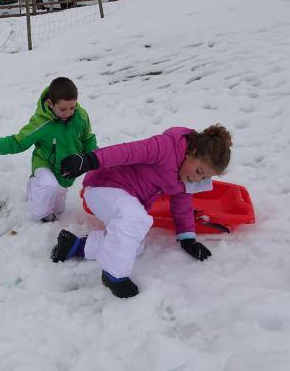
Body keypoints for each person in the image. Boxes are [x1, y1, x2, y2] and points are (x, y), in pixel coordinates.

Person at [51, 125, 232, 299]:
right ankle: (114, 276)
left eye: (205, 177)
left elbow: (183, 204)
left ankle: (76, 246)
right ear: (191, 152)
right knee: (135, 219)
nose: (197, 178)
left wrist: (187, 238)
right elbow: (126, 152)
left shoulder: (186, 176)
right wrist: (89, 160)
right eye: (199, 171)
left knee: (134, 245)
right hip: (104, 186)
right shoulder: (165, 147)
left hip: (126, 200)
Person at [0, 77, 97, 222]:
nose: (69, 113)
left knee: (58, 208)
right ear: (51, 104)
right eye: (63, 109)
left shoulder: (81, 117)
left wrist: (95, 158)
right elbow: (18, 141)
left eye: (72, 107)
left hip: (66, 169)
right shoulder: (42, 123)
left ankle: (39, 190)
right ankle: (42, 212)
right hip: (44, 164)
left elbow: (87, 139)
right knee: (48, 189)